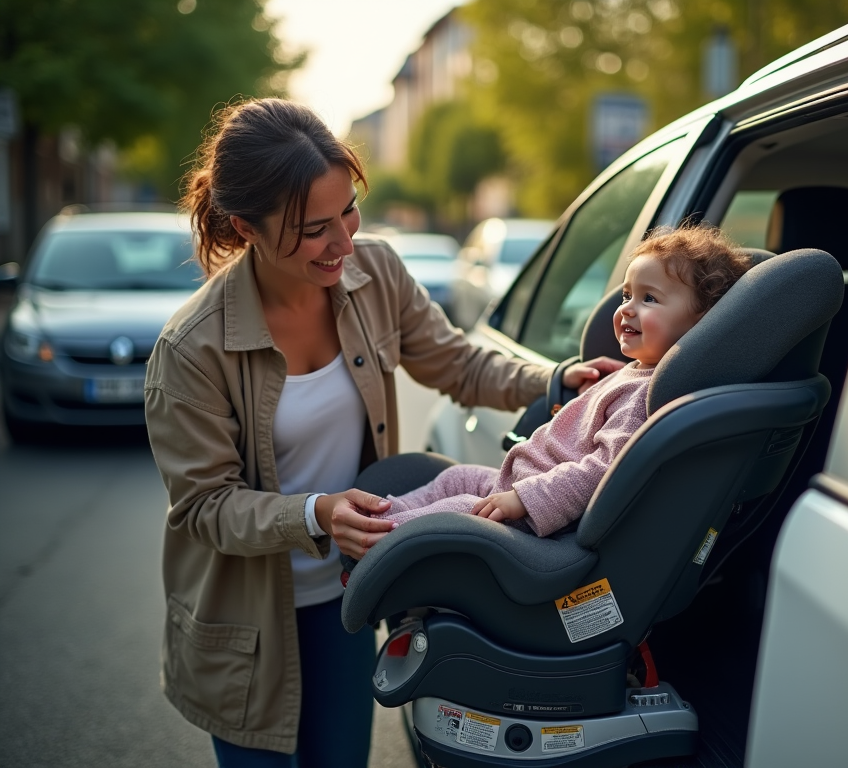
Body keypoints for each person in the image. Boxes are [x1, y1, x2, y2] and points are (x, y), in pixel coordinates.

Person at [143, 98, 618, 767]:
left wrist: (554, 381)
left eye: (349, 211)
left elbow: (455, 361)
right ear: (246, 227)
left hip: (346, 595)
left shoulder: (377, 273)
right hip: (246, 625)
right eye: (314, 230)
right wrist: (316, 514)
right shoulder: (192, 348)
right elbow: (203, 507)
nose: (343, 242)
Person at [346, 225, 752, 541]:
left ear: (702, 324)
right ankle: (382, 513)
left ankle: (379, 538)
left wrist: (525, 499)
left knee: (461, 504)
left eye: (649, 299)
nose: (626, 309)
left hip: (537, 513)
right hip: (521, 481)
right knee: (454, 479)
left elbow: (602, 471)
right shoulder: (632, 373)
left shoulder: (647, 395)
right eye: (627, 294)